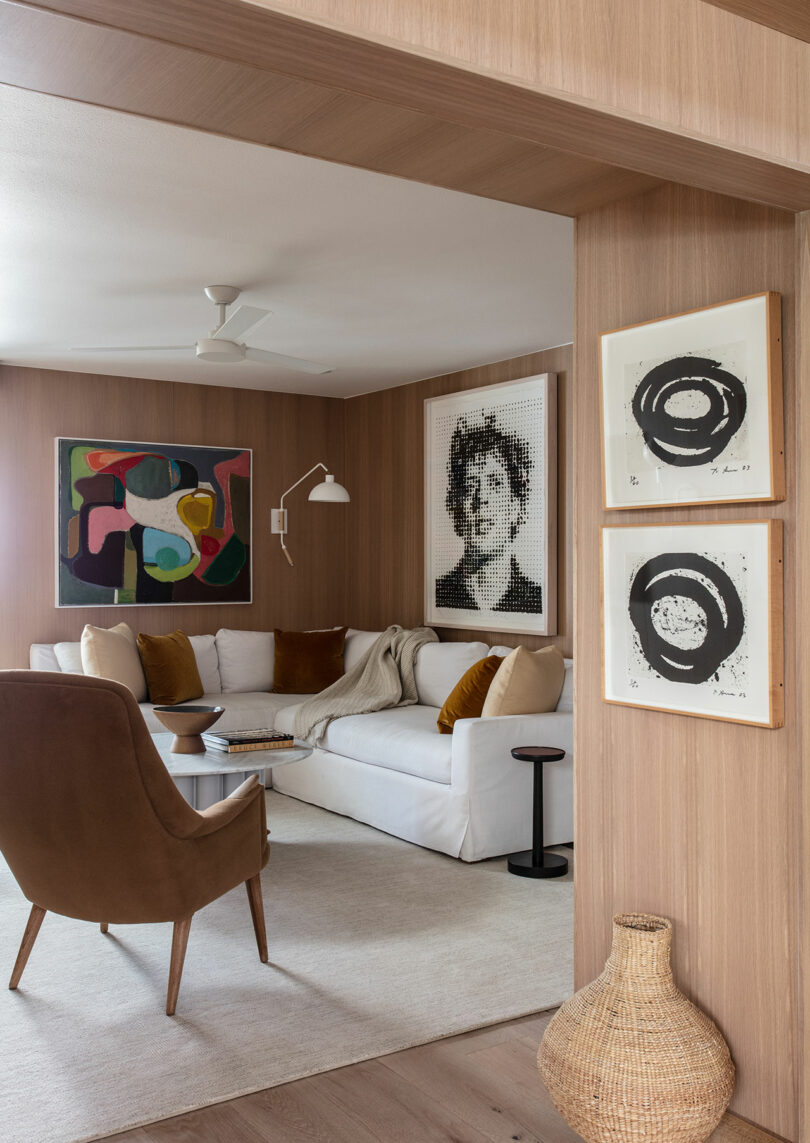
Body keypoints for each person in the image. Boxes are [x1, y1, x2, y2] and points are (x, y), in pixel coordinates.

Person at [435, 411, 542, 613]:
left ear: (516, 507)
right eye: (470, 485)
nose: (481, 498)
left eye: (495, 484)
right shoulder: (439, 593)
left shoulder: (536, 600)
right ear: (457, 508)